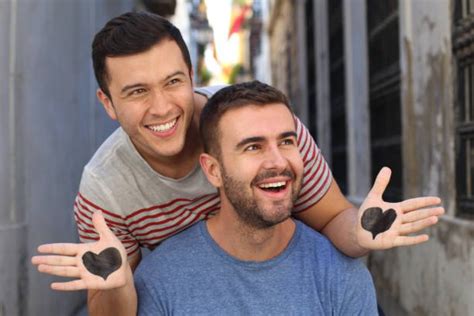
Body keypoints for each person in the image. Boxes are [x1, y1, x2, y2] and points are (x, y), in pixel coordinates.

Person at [30, 11, 444, 316]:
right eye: (137, 91)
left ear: (191, 74)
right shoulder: (104, 191)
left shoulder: (261, 127)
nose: (162, 107)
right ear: (108, 103)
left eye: (173, 82)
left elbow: (335, 220)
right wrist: (117, 286)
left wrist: (364, 231)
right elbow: (111, 301)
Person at [134, 81, 378, 315]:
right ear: (213, 170)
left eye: (286, 142)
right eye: (253, 147)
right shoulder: (160, 281)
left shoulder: (341, 275)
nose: (278, 162)